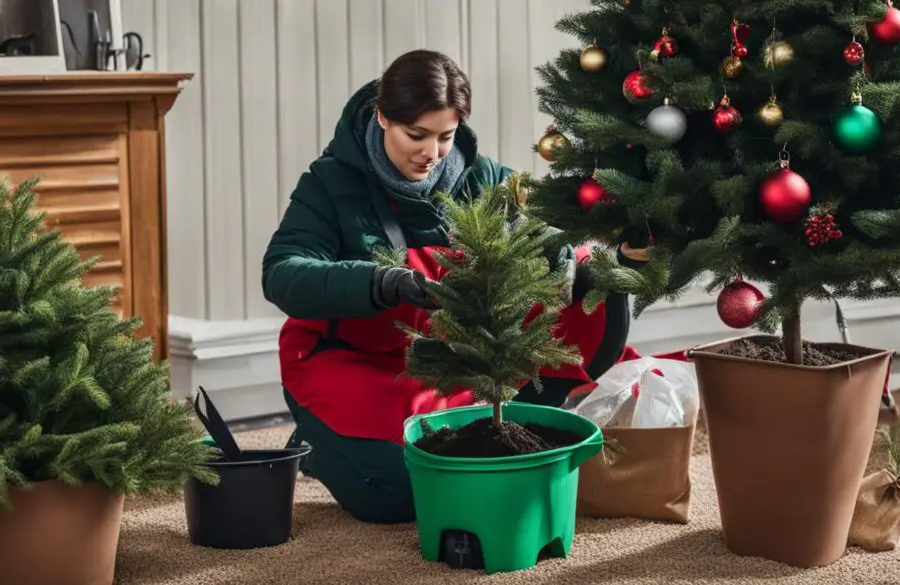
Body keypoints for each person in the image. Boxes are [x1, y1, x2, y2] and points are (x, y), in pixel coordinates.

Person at [261, 49, 633, 526]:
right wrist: (380, 282)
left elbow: (547, 236)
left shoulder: (489, 179)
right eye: (415, 135)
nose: (431, 154)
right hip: (350, 360)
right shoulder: (327, 183)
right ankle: (317, 446)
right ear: (381, 116)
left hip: (453, 358)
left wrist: (559, 259)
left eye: (445, 136)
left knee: (474, 466)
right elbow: (281, 272)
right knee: (399, 495)